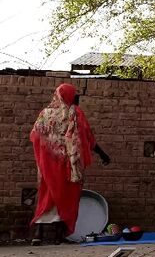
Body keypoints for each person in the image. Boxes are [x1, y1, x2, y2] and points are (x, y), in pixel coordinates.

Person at [30, 84, 110, 244]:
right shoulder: (74, 112)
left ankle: (38, 235)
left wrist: (47, 154)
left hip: (48, 164)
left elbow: (35, 137)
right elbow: (87, 138)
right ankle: (58, 237)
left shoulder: (45, 113)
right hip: (68, 165)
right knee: (66, 195)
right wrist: (102, 154)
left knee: (47, 194)